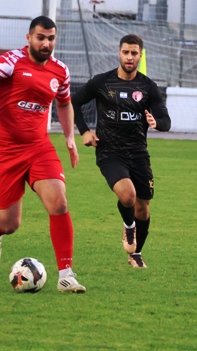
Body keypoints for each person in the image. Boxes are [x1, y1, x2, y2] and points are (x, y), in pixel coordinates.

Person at [0, 16, 85, 293]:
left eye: (51, 38)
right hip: (4, 149)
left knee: (59, 202)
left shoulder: (60, 70)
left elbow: (64, 103)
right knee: (10, 223)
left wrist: (69, 137)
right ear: (29, 38)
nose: (46, 43)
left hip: (39, 147)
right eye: (41, 37)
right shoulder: (10, 61)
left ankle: (66, 275)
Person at [71, 34, 171, 269]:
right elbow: (73, 101)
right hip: (110, 152)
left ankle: (136, 254)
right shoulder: (102, 82)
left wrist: (156, 122)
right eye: (126, 52)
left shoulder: (148, 87)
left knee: (143, 208)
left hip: (138, 154)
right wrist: (84, 131)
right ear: (119, 53)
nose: (129, 57)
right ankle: (128, 227)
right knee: (128, 196)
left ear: (140, 55)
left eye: (134, 53)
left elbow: (166, 121)